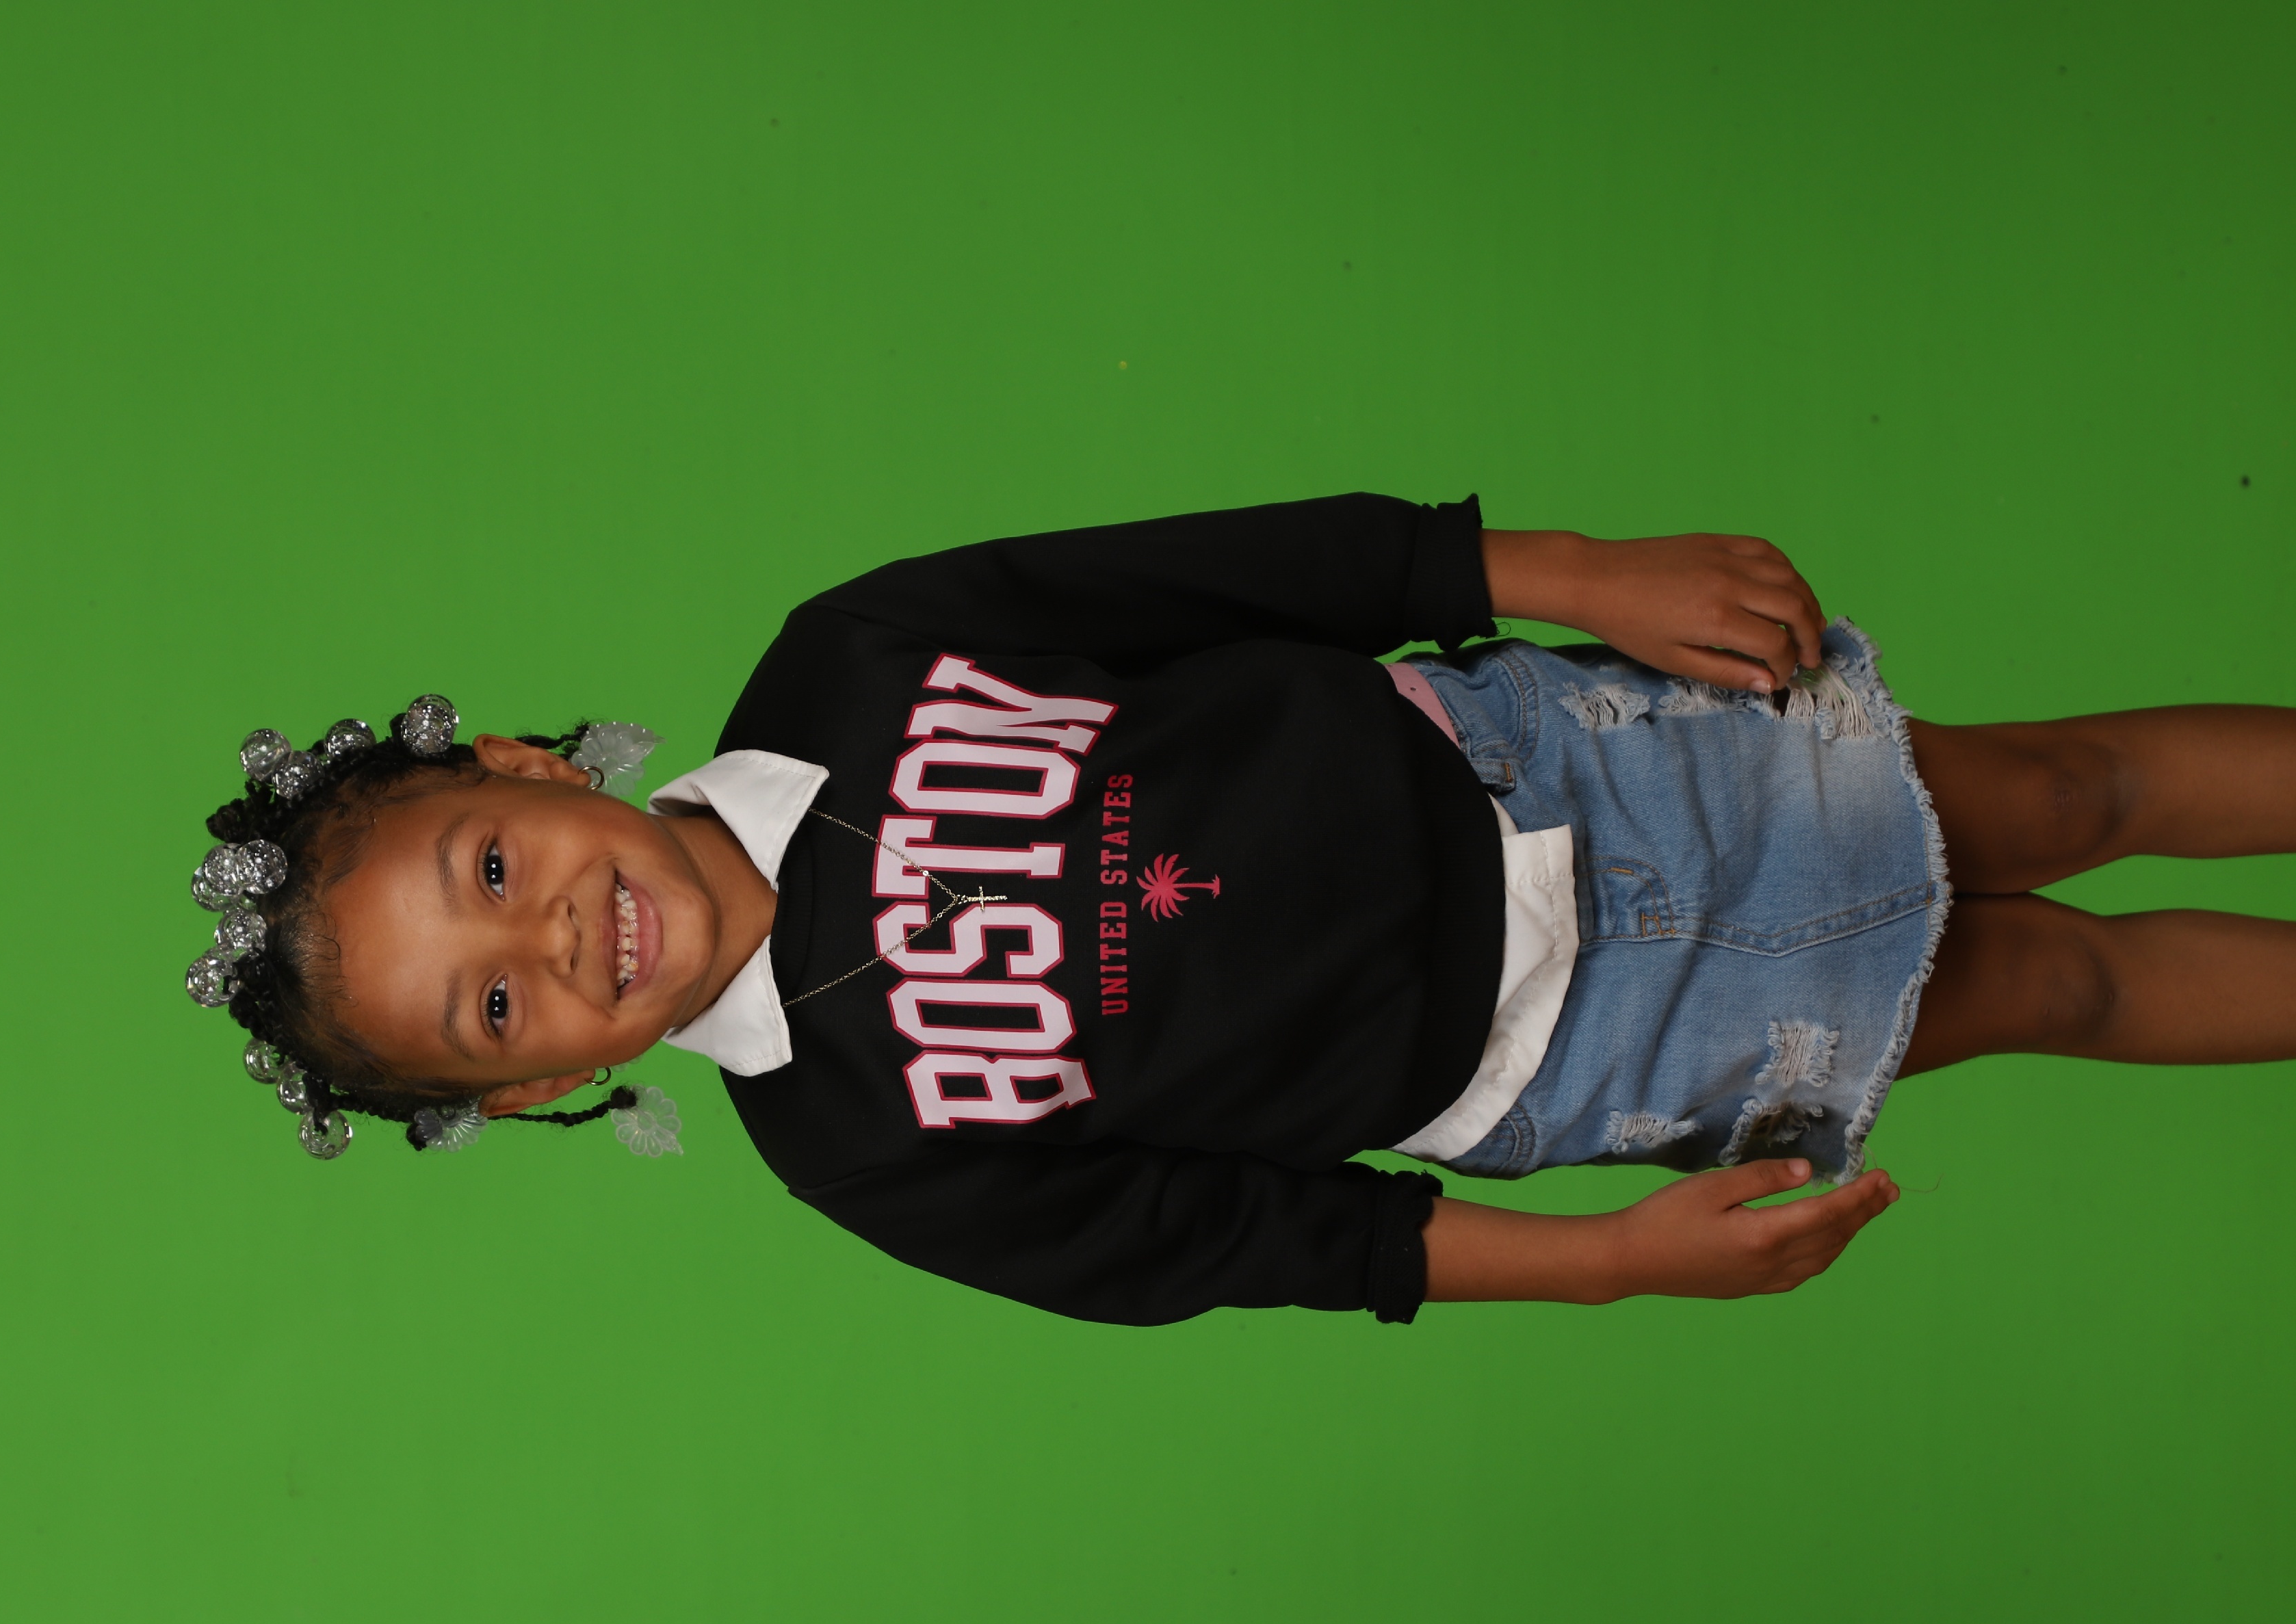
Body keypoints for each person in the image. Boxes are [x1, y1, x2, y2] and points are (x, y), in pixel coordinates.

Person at [177, 494, 2296, 1324]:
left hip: (1557, 765)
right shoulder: (856, 1148)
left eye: (491, 875)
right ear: (534, 1091)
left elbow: (1234, 576)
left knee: (2057, 793)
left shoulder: (853, 661)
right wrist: (1608, 1266)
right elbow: (1257, 1243)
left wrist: (1570, 575)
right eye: (492, 1011)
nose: (551, 945)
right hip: (1561, 1052)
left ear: (527, 772)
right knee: (2045, 981)